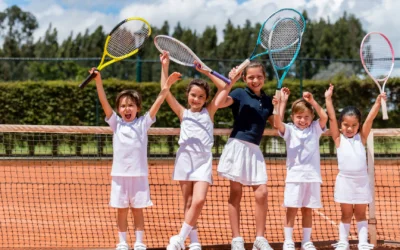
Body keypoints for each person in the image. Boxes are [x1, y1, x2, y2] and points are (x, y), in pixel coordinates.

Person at [92, 67, 180, 250]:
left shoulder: (143, 123)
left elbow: (158, 102)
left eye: (131, 105)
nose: (127, 109)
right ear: (118, 110)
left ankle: (139, 242)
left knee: (138, 211)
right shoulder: (115, 123)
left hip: (139, 176)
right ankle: (122, 242)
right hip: (119, 176)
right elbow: (103, 102)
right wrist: (98, 81)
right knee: (121, 211)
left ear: (138, 108)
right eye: (123, 106)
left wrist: (167, 86)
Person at [160, 51, 227, 250]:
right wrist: (165, 67)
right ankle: (194, 241)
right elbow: (165, 92)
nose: (196, 99)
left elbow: (224, 86)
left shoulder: (210, 111)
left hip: (203, 161)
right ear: (187, 96)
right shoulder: (182, 112)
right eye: (193, 95)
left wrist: (205, 71)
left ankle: (179, 238)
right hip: (184, 160)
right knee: (188, 201)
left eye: (201, 96)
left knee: (199, 200)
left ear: (206, 99)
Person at [214, 62, 276, 250]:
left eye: (259, 76)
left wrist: (281, 104)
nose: (255, 80)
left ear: (264, 78)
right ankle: (237, 239)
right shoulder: (239, 93)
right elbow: (218, 103)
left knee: (262, 193)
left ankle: (260, 238)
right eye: (250, 77)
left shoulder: (268, 100)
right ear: (244, 78)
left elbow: (276, 123)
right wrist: (230, 82)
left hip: (254, 150)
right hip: (238, 146)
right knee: (236, 193)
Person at [325, 84, 386, 250]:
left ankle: (363, 243)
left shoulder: (362, 137)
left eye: (353, 125)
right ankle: (343, 242)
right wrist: (328, 99)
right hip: (345, 181)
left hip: (361, 182)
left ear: (358, 125)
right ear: (341, 125)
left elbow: (370, 119)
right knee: (345, 214)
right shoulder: (338, 138)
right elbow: (331, 117)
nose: (349, 128)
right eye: (345, 124)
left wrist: (378, 102)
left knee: (360, 214)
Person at [272, 89, 328, 250]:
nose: (302, 120)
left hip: (312, 177)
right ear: (292, 118)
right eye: (299, 117)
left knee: (307, 210)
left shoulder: (315, 129)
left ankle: (306, 241)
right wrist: (279, 104)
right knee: (292, 209)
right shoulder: (289, 129)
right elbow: (277, 123)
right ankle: (288, 240)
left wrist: (312, 101)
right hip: (294, 177)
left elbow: (324, 117)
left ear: (311, 118)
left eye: (306, 117)